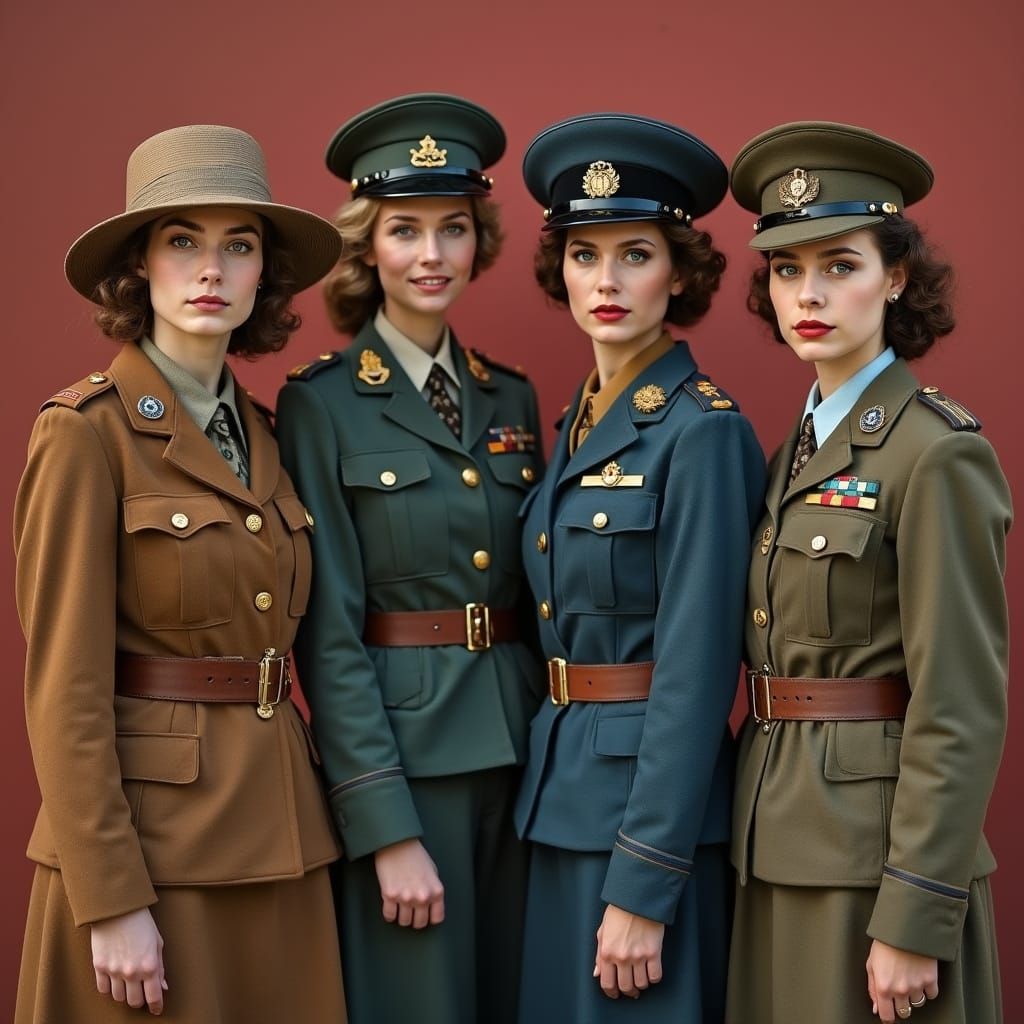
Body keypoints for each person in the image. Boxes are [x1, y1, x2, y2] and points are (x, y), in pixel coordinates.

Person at [13, 124, 346, 1023]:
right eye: (183, 241)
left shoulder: (273, 437)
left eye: (239, 246)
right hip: (153, 857)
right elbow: (64, 689)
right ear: (139, 268)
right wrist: (110, 894)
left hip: (280, 839)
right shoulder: (86, 433)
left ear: (263, 276)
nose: (212, 269)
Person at [727, 121, 1010, 1024]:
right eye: (785, 270)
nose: (808, 294)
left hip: (875, 864)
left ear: (895, 278)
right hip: (774, 838)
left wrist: (917, 912)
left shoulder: (935, 454)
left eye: (840, 265)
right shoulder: (794, 452)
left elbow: (960, 702)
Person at [275, 93, 545, 1024]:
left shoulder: (511, 396)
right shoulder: (322, 405)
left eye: (453, 229)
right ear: (367, 247)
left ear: (480, 243)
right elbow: (329, 628)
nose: (431, 255)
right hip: (406, 761)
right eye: (405, 231)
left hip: (521, 757)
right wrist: (382, 824)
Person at [514, 112, 766, 1022]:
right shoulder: (575, 424)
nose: (607, 280)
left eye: (636, 253)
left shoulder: (702, 432)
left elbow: (699, 673)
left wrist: (646, 880)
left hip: (643, 828)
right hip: (560, 802)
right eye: (585, 255)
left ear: (680, 270)